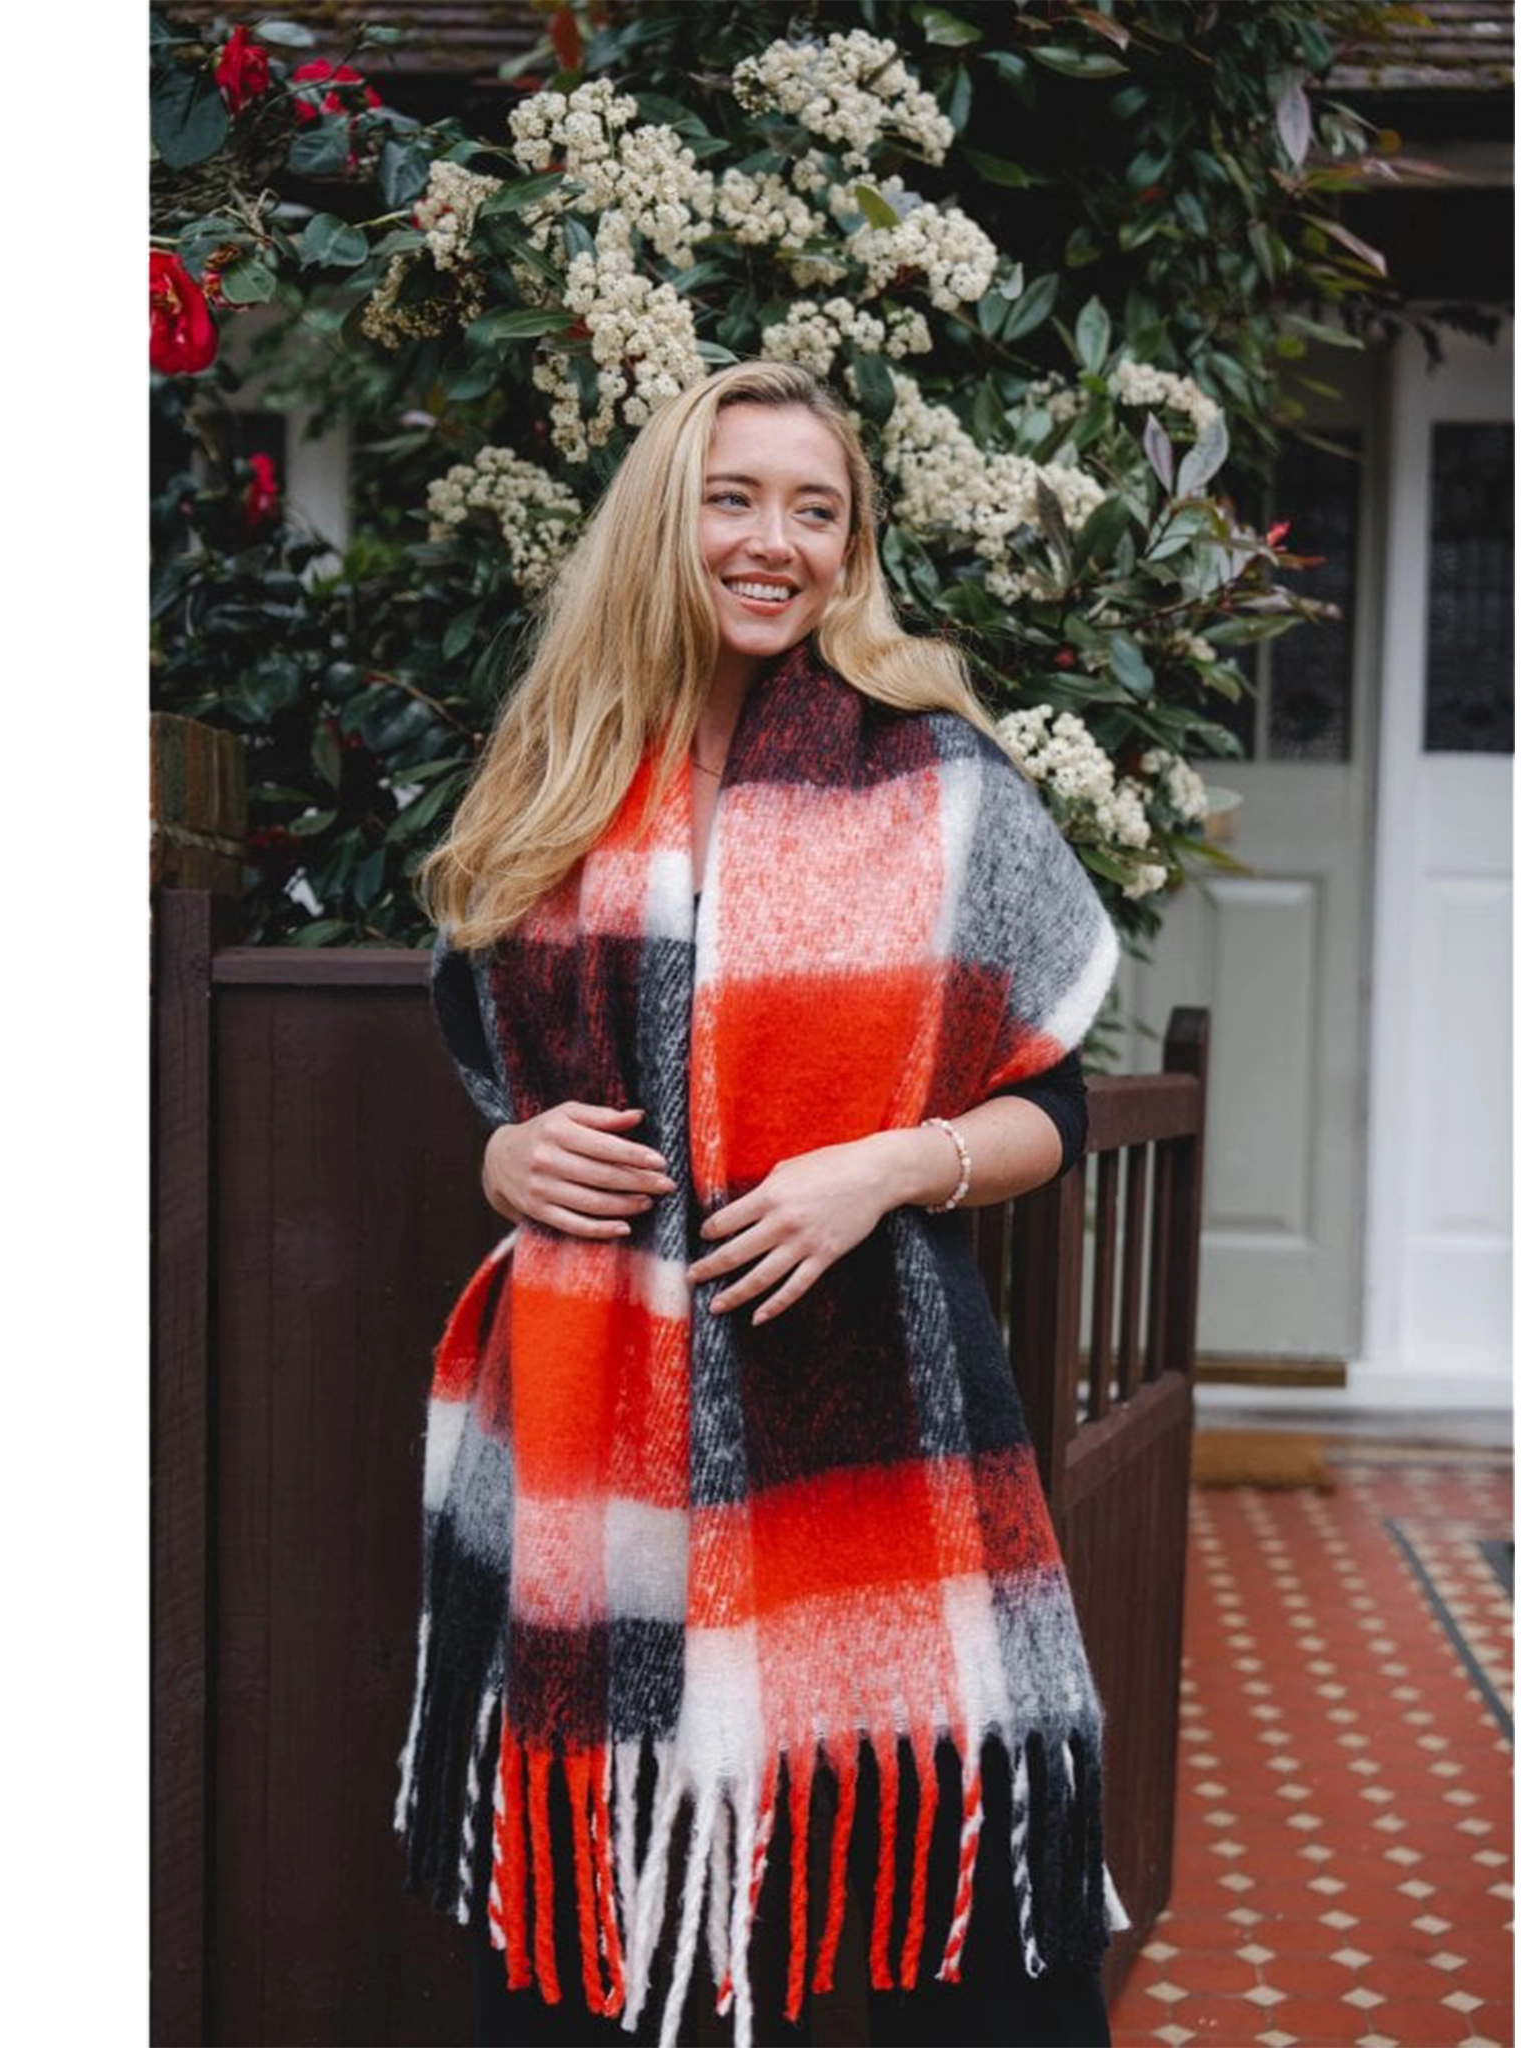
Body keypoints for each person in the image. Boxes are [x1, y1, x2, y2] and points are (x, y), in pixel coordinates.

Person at [397, 362, 1124, 2047]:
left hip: (878, 1424)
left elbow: (1053, 1104)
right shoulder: (560, 777)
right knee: (614, 1924)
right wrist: (505, 1162)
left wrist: (882, 1168)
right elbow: (497, 1086)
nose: (772, 542)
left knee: (973, 1921)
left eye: (816, 509)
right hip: (599, 1446)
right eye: (735, 498)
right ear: (668, 518)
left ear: (852, 548)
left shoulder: (939, 787)